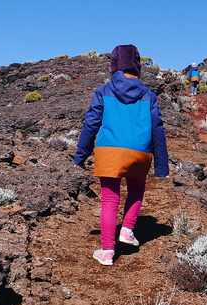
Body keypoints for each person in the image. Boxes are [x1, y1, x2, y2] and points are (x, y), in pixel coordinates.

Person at [73, 44, 169, 266]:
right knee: (136, 189)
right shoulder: (148, 96)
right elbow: (158, 129)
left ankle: (107, 251)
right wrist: (161, 164)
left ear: (113, 65)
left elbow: (91, 124)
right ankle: (127, 229)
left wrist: (81, 155)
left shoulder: (103, 92)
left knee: (109, 198)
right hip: (140, 152)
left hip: (109, 152)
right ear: (137, 67)